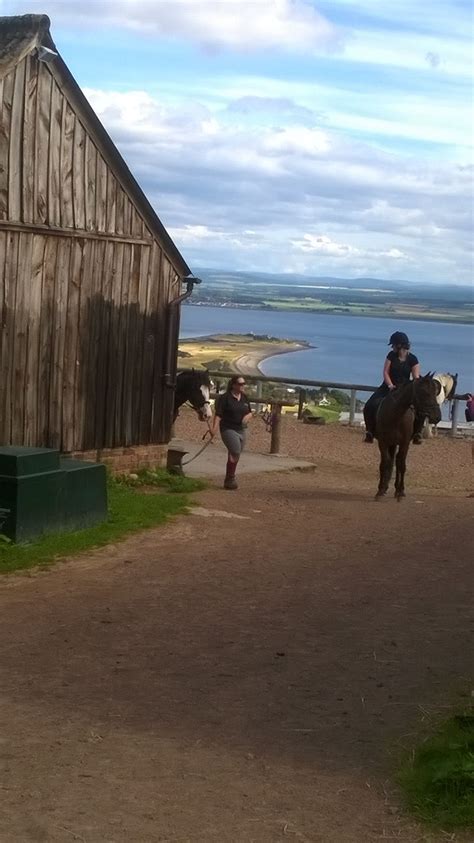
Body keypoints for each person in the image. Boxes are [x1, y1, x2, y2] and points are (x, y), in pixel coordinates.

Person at [363, 331, 422, 444]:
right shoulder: (391, 355)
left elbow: (415, 377)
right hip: (388, 386)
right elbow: (386, 372)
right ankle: (370, 431)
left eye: (393, 345)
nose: (392, 347)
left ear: (399, 345)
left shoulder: (413, 359)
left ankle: (417, 433)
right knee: (370, 404)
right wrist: (390, 385)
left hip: (405, 388)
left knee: (420, 409)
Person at [211, 375, 253, 489]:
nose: (243, 386)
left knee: (236, 453)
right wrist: (214, 428)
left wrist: (247, 417)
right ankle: (231, 478)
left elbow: (249, 412)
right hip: (228, 428)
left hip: (242, 429)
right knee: (235, 450)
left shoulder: (244, 397)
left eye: (244, 384)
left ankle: (229, 478)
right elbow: (218, 414)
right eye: (240, 384)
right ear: (233, 385)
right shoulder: (225, 398)